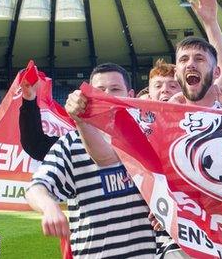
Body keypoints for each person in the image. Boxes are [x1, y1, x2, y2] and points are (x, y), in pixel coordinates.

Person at [25, 63, 157, 258]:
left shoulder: (149, 140)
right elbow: (36, 187)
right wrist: (49, 206)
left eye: (115, 90)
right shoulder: (71, 144)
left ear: (130, 95)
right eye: (99, 91)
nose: (106, 95)